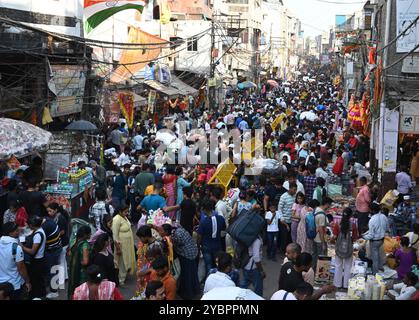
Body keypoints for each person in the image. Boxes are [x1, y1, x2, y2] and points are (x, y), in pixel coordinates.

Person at [159, 224, 199, 299]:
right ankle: (195, 289)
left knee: (187, 275)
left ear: (166, 232)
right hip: (193, 252)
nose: (160, 233)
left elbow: (172, 246)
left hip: (187, 255)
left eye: (161, 231)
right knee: (192, 273)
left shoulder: (175, 237)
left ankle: (188, 294)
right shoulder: (177, 230)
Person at [0, 222, 31, 300]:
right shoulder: (16, 248)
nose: (19, 231)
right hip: (14, 285)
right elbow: (21, 268)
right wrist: (27, 281)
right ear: (10, 233)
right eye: (17, 231)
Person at [197, 199, 226, 274]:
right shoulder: (220, 219)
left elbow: (199, 237)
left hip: (206, 246)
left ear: (204, 209)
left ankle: (209, 280)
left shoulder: (203, 222)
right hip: (218, 245)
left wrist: (198, 246)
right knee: (217, 265)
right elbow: (223, 228)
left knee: (208, 265)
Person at [20, 216, 46, 299]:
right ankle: (41, 295)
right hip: (40, 259)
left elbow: (32, 251)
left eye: (28, 225)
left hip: (37, 261)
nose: (27, 226)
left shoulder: (38, 235)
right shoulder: (39, 230)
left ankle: (37, 296)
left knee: (36, 281)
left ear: (31, 225)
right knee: (38, 280)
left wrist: (22, 246)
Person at [112, 205, 136, 286]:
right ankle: (120, 280)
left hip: (127, 244)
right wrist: (118, 248)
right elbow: (115, 235)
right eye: (125, 212)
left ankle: (124, 276)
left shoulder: (124, 217)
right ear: (120, 211)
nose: (127, 213)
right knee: (122, 262)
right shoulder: (116, 219)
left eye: (127, 211)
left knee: (126, 259)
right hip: (121, 245)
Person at [136, 225, 163, 296]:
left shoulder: (154, 247)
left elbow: (158, 264)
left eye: (141, 238)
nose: (140, 240)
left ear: (146, 236)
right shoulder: (154, 242)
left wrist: (144, 272)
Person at [362, 202, 389, 274]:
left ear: (372, 210)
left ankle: (375, 273)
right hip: (382, 240)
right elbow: (387, 228)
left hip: (375, 241)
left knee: (375, 258)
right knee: (379, 254)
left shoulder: (372, 220)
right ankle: (380, 268)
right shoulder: (384, 217)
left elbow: (371, 235)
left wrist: (364, 236)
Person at [43, 208, 63, 299]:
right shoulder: (49, 221)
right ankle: (53, 285)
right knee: (54, 269)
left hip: (53, 250)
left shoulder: (45, 227)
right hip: (56, 249)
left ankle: (54, 291)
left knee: (53, 270)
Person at [68, 225, 92, 299]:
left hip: (72, 271)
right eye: (89, 233)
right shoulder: (85, 245)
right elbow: (85, 262)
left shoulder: (73, 241)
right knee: (81, 291)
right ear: (85, 235)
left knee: (73, 289)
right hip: (82, 273)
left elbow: (69, 254)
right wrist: (79, 262)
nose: (91, 235)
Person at [333, 208, 354, 289]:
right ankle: (346, 285)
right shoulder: (353, 224)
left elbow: (334, 236)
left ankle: (337, 284)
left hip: (338, 248)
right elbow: (355, 237)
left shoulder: (337, 223)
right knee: (348, 266)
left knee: (338, 266)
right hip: (349, 249)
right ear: (351, 215)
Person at [312, 197, 333, 269]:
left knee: (315, 255)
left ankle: (313, 270)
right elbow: (321, 229)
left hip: (314, 237)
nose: (329, 207)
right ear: (326, 204)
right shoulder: (321, 215)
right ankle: (319, 273)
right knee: (322, 257)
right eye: (329, 205)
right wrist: (323, 243)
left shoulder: (316, 209)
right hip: (319, 239)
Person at [278, 182, 297, 254]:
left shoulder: (295, 196)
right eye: (294, 189)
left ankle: (289, 252)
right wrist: (282, 219)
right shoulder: (283, 196)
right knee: (284, 238)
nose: (295, 191)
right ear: (290, 189)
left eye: (296, 190)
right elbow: (279, 209)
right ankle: (282, 252)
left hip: (292, 221)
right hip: (284, 221)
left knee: (290, 238)